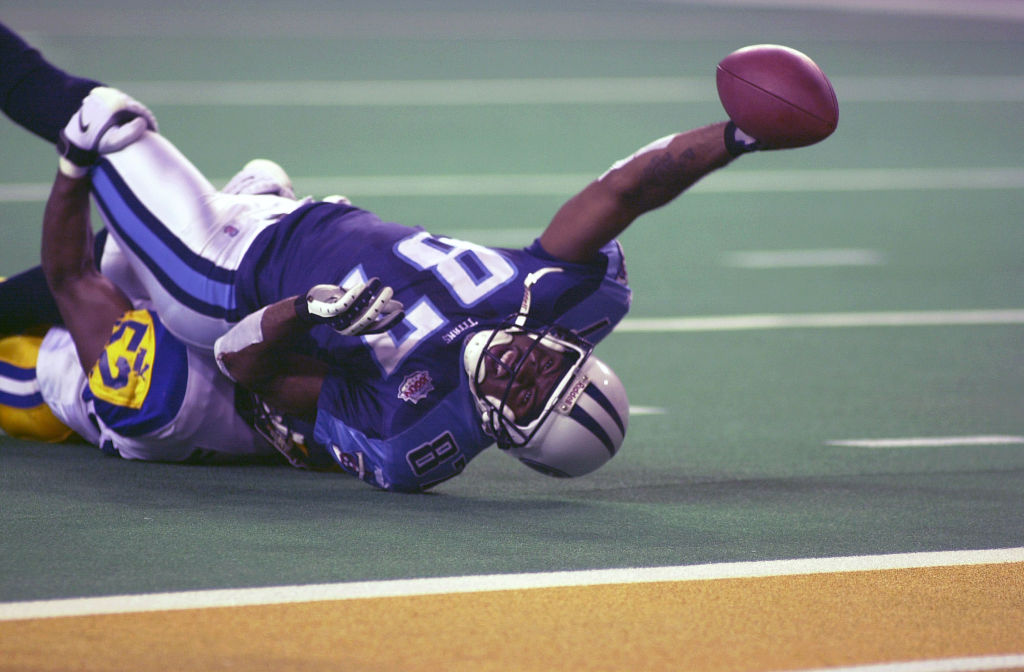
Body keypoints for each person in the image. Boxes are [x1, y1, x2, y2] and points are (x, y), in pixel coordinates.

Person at [0, 23, 794, 492]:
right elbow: (626, 191)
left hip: (221, 276)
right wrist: (736, 137)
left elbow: (245, 367)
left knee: (102, 122)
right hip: (293, 219)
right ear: (570, 348)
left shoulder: (413, 430)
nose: (524, 367)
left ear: (508, 434)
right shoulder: (562, 297)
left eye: (526, 396)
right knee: (114, 256)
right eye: (551, 367)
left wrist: (302, 310)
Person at [0, 148, 285, 463]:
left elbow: (72, 277)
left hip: (51, 368)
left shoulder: (165, 389)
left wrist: (73, 166)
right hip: (152, 334)